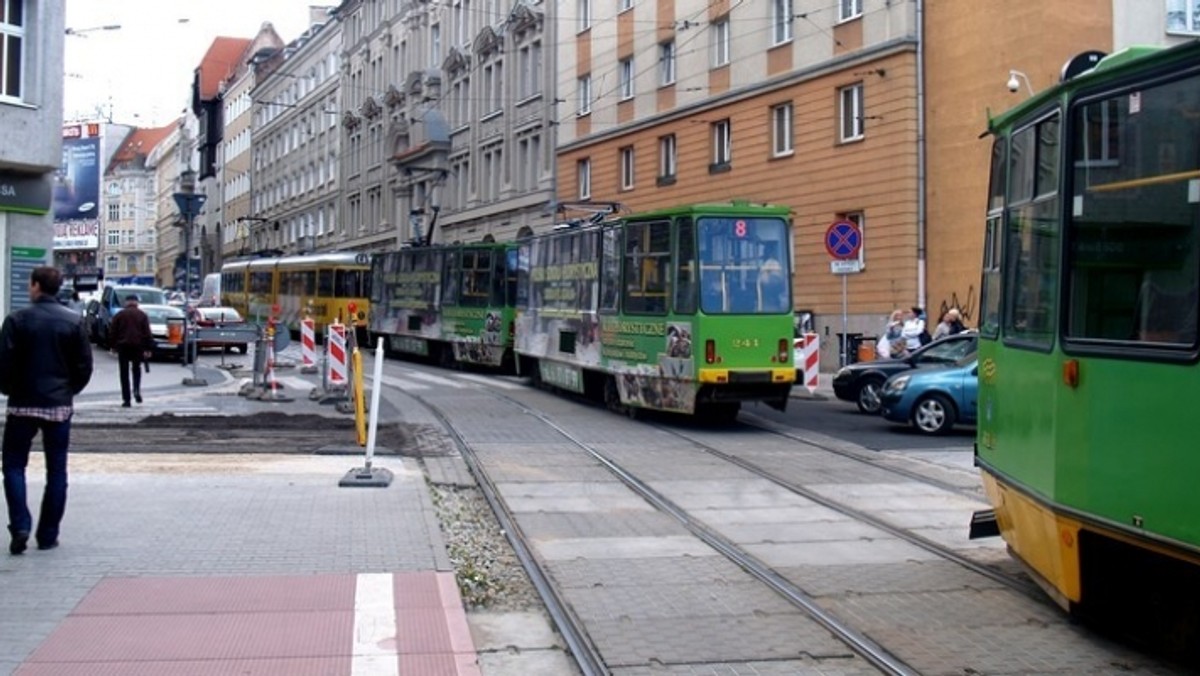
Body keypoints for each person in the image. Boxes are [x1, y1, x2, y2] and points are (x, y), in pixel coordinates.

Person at [0, 266, 94, 555]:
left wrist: (9, 389)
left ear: (36, 286)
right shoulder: (73, 322)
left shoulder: (16, 320)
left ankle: (20, 526)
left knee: (14, 466)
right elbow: (84, 367)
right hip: (58, 407)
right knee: (57, 471)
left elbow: (3, 363)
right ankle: (48, 534)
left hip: (21, 404)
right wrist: (68, 391)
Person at [109, 295, 154, 407]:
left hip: (123, 346)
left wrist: (113, 346)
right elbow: (147, 333)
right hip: (138, 346)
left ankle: (126, 399)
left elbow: (113, 332)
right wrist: (148, 348)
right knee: (136, 369)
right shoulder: (142, 315)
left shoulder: (119, 315)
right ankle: (136, 390)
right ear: (136, 303)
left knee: (124, 373)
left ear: (126, 302)